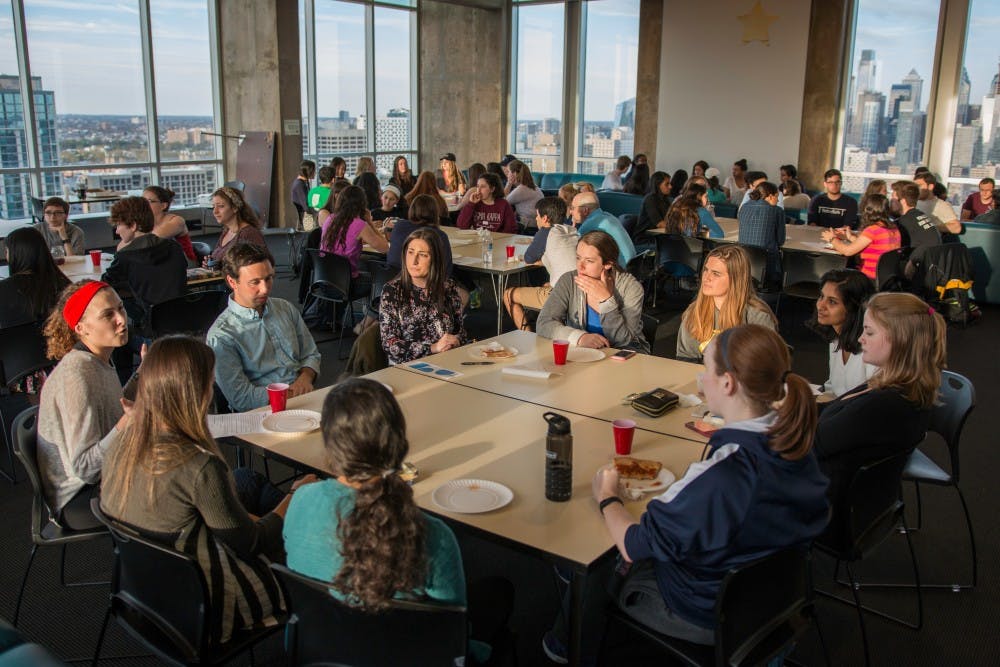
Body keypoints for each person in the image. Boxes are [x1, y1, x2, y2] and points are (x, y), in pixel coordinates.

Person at [544, 324, 829, 662]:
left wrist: (608, 496)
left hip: (702, 613)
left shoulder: (724, 475)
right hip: (775, 601)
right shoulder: (797, 446)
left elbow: (635, 545)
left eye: (705, 368)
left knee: (598, 553)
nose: (701, 378)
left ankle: (564, 644)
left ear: (728, 383)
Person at [283, 378, 512, 664]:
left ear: (330, 444)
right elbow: (454, 633)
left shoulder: (300, 502)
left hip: (321, 651)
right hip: (414, 656)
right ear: (399, 443)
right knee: (498, 592)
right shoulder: (433, 536)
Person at [101, 336, 310, 644]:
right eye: (209, 384)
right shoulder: (198, 466)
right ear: (196, 393)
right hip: (208, 605)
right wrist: (297, 497)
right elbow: (253, 543)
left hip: (146, 591)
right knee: (312, 521)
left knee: (246, 481)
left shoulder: (123, 442)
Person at [813, 292, 946, 547]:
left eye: (869, 332)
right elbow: (834, 416)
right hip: (855, 503)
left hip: (830, 512)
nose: (861, 338)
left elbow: (816, 442)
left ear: (899, 340)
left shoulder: (885, 404)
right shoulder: (895, 386)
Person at [37, 280, 131, 529]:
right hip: (79, 500)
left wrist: (145, 374)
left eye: (121, 309)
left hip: (101, 481)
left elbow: (112, 406)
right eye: (108, 315)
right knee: (180, 485)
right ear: (81, 328)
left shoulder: (97, 359)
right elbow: (85, 468)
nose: (122, 319)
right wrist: (125, 426)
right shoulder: (77, 374)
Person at [207, 243, 321, 412]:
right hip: (263, 410)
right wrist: (291, 393)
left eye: (269, 278)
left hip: (303, 396)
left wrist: (306, 377)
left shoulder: (285, 308)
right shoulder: (222, 335)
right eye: (255, 282)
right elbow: (241, 398)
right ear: (232, 282)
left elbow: (311, 353)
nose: (265, 288)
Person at [536, 230, 648, 352]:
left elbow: (623, 340)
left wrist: (606, 300)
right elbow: (544, 323)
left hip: (626, 354)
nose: (580, 266)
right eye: (578, 258)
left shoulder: (631, 288)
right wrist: (580, 337)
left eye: (589, 261)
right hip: (584, 353)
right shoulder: (569, 280)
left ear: (608, 264)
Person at [379, 228, 466, 365]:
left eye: (423, 255)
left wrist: (455, 341)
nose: (414, 261)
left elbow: (460, 331)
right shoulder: (392, 291)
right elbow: (390, 344)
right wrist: (433, 348)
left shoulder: (448, 287)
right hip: (408, 367)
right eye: (410, 252)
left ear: (435, 259)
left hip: (446, 362)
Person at [102, 196, 188, 332]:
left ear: (133, 226)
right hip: (183, 320)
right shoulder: (174, 247)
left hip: (151, 326)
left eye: (119, 225)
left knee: (118, 335)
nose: (117, 231)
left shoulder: (125, 256)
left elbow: (105, 285)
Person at [676, 245, 777, 361]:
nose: (706, 278)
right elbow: (686, 359)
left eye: (716, 273)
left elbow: (766, 368)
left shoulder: (757, 317)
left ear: (735, 279)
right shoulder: (695, 312)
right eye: (706, 270)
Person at [503, 197, 578, 331]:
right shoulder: (571, 231)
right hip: (578, 291)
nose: (536, 219)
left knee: (508, 295)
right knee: (544, 284)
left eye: (537, 215)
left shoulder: (545, 232)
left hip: (561, 295)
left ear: (545, 219)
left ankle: (526, 335)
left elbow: (528, 258)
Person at [806, 269, 876, 397]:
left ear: (853, 308)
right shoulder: (836, 340)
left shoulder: (872, 350)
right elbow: (833, 388)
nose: (820, 305)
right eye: (821, 297)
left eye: (832, 302)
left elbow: (868, 399)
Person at [0, 226, 70, 329]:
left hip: (15, 344)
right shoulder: (63, 283)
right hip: (60, 343)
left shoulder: (4, 288)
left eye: (7, 251)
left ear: (16, 254)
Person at [821, 193, 900, 280]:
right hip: (885, 278)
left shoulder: (873, 230)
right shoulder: (893, 228)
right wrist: (850, 237)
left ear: (867, 210)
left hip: (868, 277)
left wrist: (832, 238)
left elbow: (847, 251)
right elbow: (869, 245)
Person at [386, 194, 453, 276]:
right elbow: (446, 270)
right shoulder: (439, 235)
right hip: (422, 283)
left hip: (391, 278)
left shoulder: (399, 226)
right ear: (435, 213)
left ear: (411, 209)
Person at [890, 180, 941, 279]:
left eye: (893, 198)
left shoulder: (903, 222)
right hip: (932, 267)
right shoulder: (920, 215)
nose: (891, 201)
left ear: (903, 201)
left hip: (917, 270)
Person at [738, 181, 786, 284]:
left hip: (743, 262)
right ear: (769, 196)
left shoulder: (744, 208)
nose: (778, 200)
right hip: (767, 264)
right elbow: (781, 240)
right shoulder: (777, 211)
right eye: (776, 197)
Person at [571, 191, 636, 267]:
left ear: (585, 210)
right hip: (633, 267)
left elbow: (573, 250)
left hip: (620, 272)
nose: (570, 211)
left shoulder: (591, 224)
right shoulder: (608, 216)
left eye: (573, 208)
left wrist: (572, 228)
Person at [206, 186, 266, 265]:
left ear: (235, 208)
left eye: (220, 206)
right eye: (214, 206)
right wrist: (210, 263)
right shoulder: (227, 231)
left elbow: (258, 266)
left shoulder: (248, 234)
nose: (215, 211)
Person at [142, 186, 197, 265]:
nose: (143, 205)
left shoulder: (176, 221)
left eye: (149, 201)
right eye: (142, 201)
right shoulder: (144, 223)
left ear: (163, 205)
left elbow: (151, 241)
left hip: (186, 265)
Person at [504, 159, 544, 224]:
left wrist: (509, 183)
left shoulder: (522, 189)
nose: (507, 175)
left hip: (529, 225)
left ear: (514, 173)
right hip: (533, 222)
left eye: (508, 172)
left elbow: (503, 202)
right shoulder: (529, 185)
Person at [635, 171, 671, 237]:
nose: (670, 186)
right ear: (657, 185)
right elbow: (660, 224)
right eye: (667, 184)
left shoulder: (665, 199)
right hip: (646, 237)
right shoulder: (650, 199)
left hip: (659, 235)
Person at [292, 159, 316, 228]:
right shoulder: (300, 184)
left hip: (305, 216)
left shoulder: (302, 182)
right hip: (305, 219)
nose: (315, 173)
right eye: (314, 171)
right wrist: (318, 212)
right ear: (309, 171)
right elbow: (306, 207)